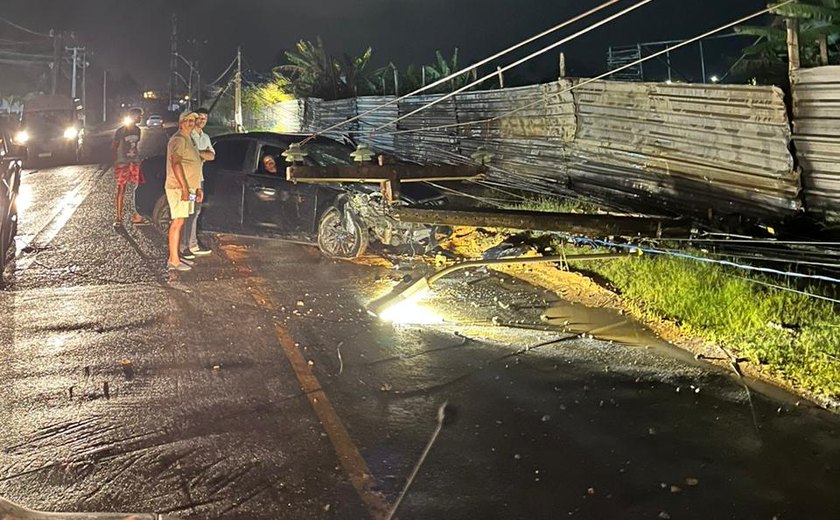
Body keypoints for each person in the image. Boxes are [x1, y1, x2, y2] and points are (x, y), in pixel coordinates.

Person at [165, 111, 202, 271]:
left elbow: (194, 165)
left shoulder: (189, 139)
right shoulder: (179, 140)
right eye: (187, 120)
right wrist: (185, 188)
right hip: (178, 188)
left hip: (188, 188)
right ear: (180, 123)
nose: (191, 123)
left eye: (193, 120)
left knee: (182, 221)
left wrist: (197, 188)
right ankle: (173, 260)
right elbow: (176, 164)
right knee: (177, 222)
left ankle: (176, 257)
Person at [180, 107, 215, 260]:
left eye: (204, 119)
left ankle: (192, 244)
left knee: (195, 211)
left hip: (199, 180)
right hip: (188, 180)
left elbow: (212, 155)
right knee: (187, 212)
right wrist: (202, 154)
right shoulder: (188, 136)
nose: (202, 121)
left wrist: (198, 153)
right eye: (199, 118)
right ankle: (184, 247)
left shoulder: (205, 137)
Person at [112, 107, 145, 227]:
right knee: (121, 188)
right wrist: (116, 160)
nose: (141, 118)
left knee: (140, 186)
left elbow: (135, 146)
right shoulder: (121, 131)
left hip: (134, 161)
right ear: (134, 116)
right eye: (139, 116)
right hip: (123, 162)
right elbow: (114, 146)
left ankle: (138, 215)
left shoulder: (138, 130)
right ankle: (118, 217)